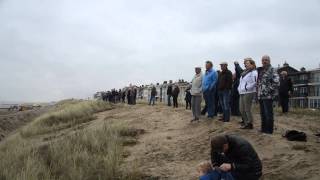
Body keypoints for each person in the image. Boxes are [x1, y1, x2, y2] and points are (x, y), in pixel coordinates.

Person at [257, 55, 280, 134]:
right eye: (263, 60)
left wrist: (268, 90)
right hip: (261, 95)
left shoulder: (272, 70)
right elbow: (260, 83)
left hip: (268, 96)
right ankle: (263, 129)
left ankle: (269, 131)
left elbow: (276, 82)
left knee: (268, 114)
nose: (264, 61)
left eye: (266, 60)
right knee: (263, 114)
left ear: (269, 61)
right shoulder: (261, 71)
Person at [238, 58, 258, 129]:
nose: (245, 65)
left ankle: (249, 123)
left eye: (247, 63)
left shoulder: (254, 72)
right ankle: (246, 122)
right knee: (241, 109)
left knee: (247, 109)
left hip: (249, 92)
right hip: (242, 92)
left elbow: (255, 82)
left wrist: (246, 88)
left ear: (252, 64)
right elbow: (241, 82)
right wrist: (239, 88)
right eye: (245, 63)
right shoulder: (244, 72)